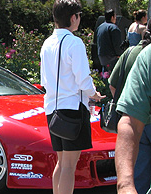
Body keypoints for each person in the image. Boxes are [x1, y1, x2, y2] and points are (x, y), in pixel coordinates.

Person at [40, 1, 105, 193]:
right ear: (72, 17)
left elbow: (44, 79)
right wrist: (94, 94)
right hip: (72, 109)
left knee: (61, 163)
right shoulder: (74, 42)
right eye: (79, 15)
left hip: (52, 109)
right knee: (69, 165)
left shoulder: (47, 43)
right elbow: (83, 78)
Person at [109, 20, 151, 194]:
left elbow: (112, 84)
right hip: (139, 118)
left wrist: (126, 185)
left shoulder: (129, 53)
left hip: (140, 121)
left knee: (140, 176)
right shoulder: (146, 56)